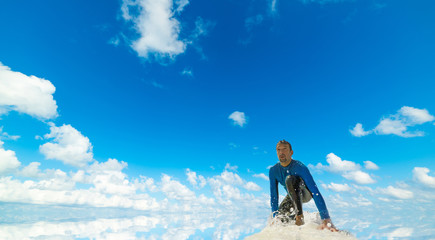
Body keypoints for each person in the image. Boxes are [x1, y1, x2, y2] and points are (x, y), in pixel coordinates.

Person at [269, 140, 338, 231]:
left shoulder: (300, 167)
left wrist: (325, 218)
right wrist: (275, 216)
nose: (281, 152)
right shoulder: (273, 170)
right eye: (278, 150)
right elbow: (274, 196)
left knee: (290, 179)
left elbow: (314, 191)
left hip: (305, 192)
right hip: (292, 195)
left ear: (291, 152)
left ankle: (299, 217)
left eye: (285, 149)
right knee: (281, 219)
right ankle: (299, 225)